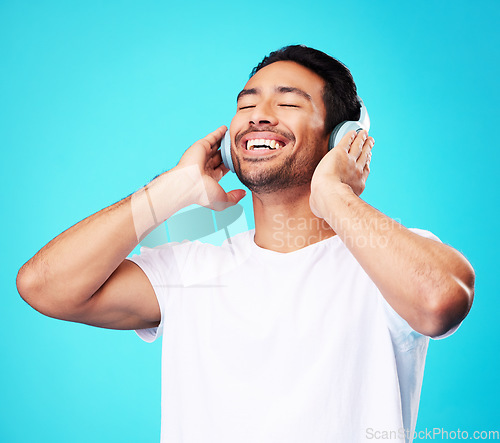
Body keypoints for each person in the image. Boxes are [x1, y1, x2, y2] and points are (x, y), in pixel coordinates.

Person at [17, 45, 475, 443]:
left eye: (288, 102)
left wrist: (335, 193)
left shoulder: (389, 260)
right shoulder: (187, 273)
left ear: (344, 138)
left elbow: (441, 301)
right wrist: (172, 189)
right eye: (246, 104)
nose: (258, 115)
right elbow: (44, 286)